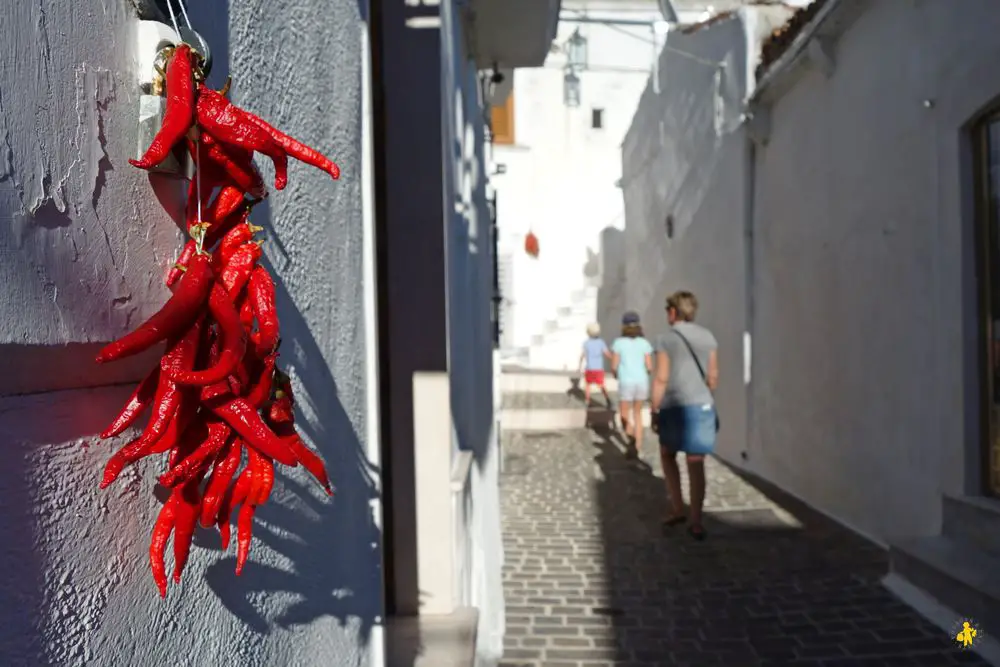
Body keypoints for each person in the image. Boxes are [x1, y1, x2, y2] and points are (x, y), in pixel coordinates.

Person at [651, 290, 718, 541]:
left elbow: (661, 377)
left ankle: (678, 507)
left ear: (672, 311)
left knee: (668, 454)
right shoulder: (708, 337)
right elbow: (713, 377)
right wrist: (700, 393)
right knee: (696, 461)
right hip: (701, 405)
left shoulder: (665, 340)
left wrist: (654, 408)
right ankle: (697, 520)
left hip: (673, 406)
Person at [611, 311, 653, 457]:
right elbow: (649, 366)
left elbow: (614, 366)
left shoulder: (618, 343)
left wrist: (617, 375)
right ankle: (638, 445)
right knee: (638, 413)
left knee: (624, 414)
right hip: (641, 382)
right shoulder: (645, 343)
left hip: (626, 382)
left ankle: (631, 439)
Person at [579, 323, 612, 407]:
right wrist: (613, 359)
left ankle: (587, 400)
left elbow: (583, 355)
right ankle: (607, 398)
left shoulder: (586, 343)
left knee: (587, 384)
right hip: (598, 368)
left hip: (589, 368)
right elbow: (606, 353)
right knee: (601, 385)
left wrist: (579, 365)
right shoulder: (601, 342)